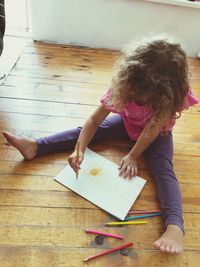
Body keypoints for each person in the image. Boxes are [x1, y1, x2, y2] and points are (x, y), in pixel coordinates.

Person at [2, 35, 199, 254]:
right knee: (85, 133)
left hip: (157, 135)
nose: (139, 99)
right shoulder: (126, 85)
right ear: (129, 79)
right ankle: (36, 146)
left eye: (145, 98)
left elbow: (150, 131)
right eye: (136, 95)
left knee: (164, 169)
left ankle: (175, 226)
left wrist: (133, 155)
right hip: (128, 123)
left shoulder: (169, 98)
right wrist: (79, 149)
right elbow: (93, 121)